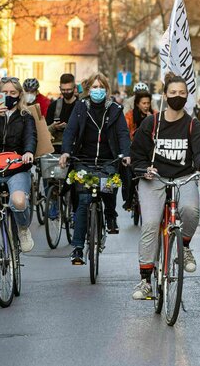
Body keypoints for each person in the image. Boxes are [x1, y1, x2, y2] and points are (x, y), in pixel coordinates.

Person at [129, 73, 200, 299]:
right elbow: (136, 153)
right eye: (173, 93)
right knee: (150, 223)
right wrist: (143, 168)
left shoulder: (193, 125)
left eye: (182, 93)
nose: (178, 97)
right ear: (165, 95)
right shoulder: (152, 123)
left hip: (183, 177)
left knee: (191, 211)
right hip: (153, 178)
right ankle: (145, 280)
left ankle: (184, 247)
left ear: (187, 97)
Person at [59, 73, 131, 264]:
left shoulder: (115, 109)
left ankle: (110, 214)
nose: (97, 90)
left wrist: (126, 154)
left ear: (106, 90)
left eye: (101, 87)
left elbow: (123, 134)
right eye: (94, 87)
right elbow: (70, 131)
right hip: (84, 160)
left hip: (108, 160)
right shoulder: (81, 107)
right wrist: (66, 152)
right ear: (88, 89)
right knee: (83, 200)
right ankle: (78, 248)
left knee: (108, 188)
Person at [0, 77, 37, 281]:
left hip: (17, 167)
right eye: (5, 92)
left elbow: (31, 137)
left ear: (19, 94)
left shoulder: (25, 116)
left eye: (13, 93)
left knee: (19, 201)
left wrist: (28, 152)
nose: (9, 96)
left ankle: (22, 228)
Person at [122, 90, 153, 211]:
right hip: (133, 150)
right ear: (137, 104)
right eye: (143, 103)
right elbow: (125, 133)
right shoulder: (129, 116)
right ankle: (129, 201)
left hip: (150, 151)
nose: (146, 106)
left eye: (148, 103)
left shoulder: (154, 116)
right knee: (129, 175)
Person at [46, 73, 78, 153]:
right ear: (60, 88)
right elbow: (45, 131)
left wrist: (70, 128)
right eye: (63, 90)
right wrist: (54, 127)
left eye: (69, 90)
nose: (66, 92)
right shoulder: (54, 106)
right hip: (56, 146)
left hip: (75, 146)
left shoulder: (80, 105)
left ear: (74, 88)